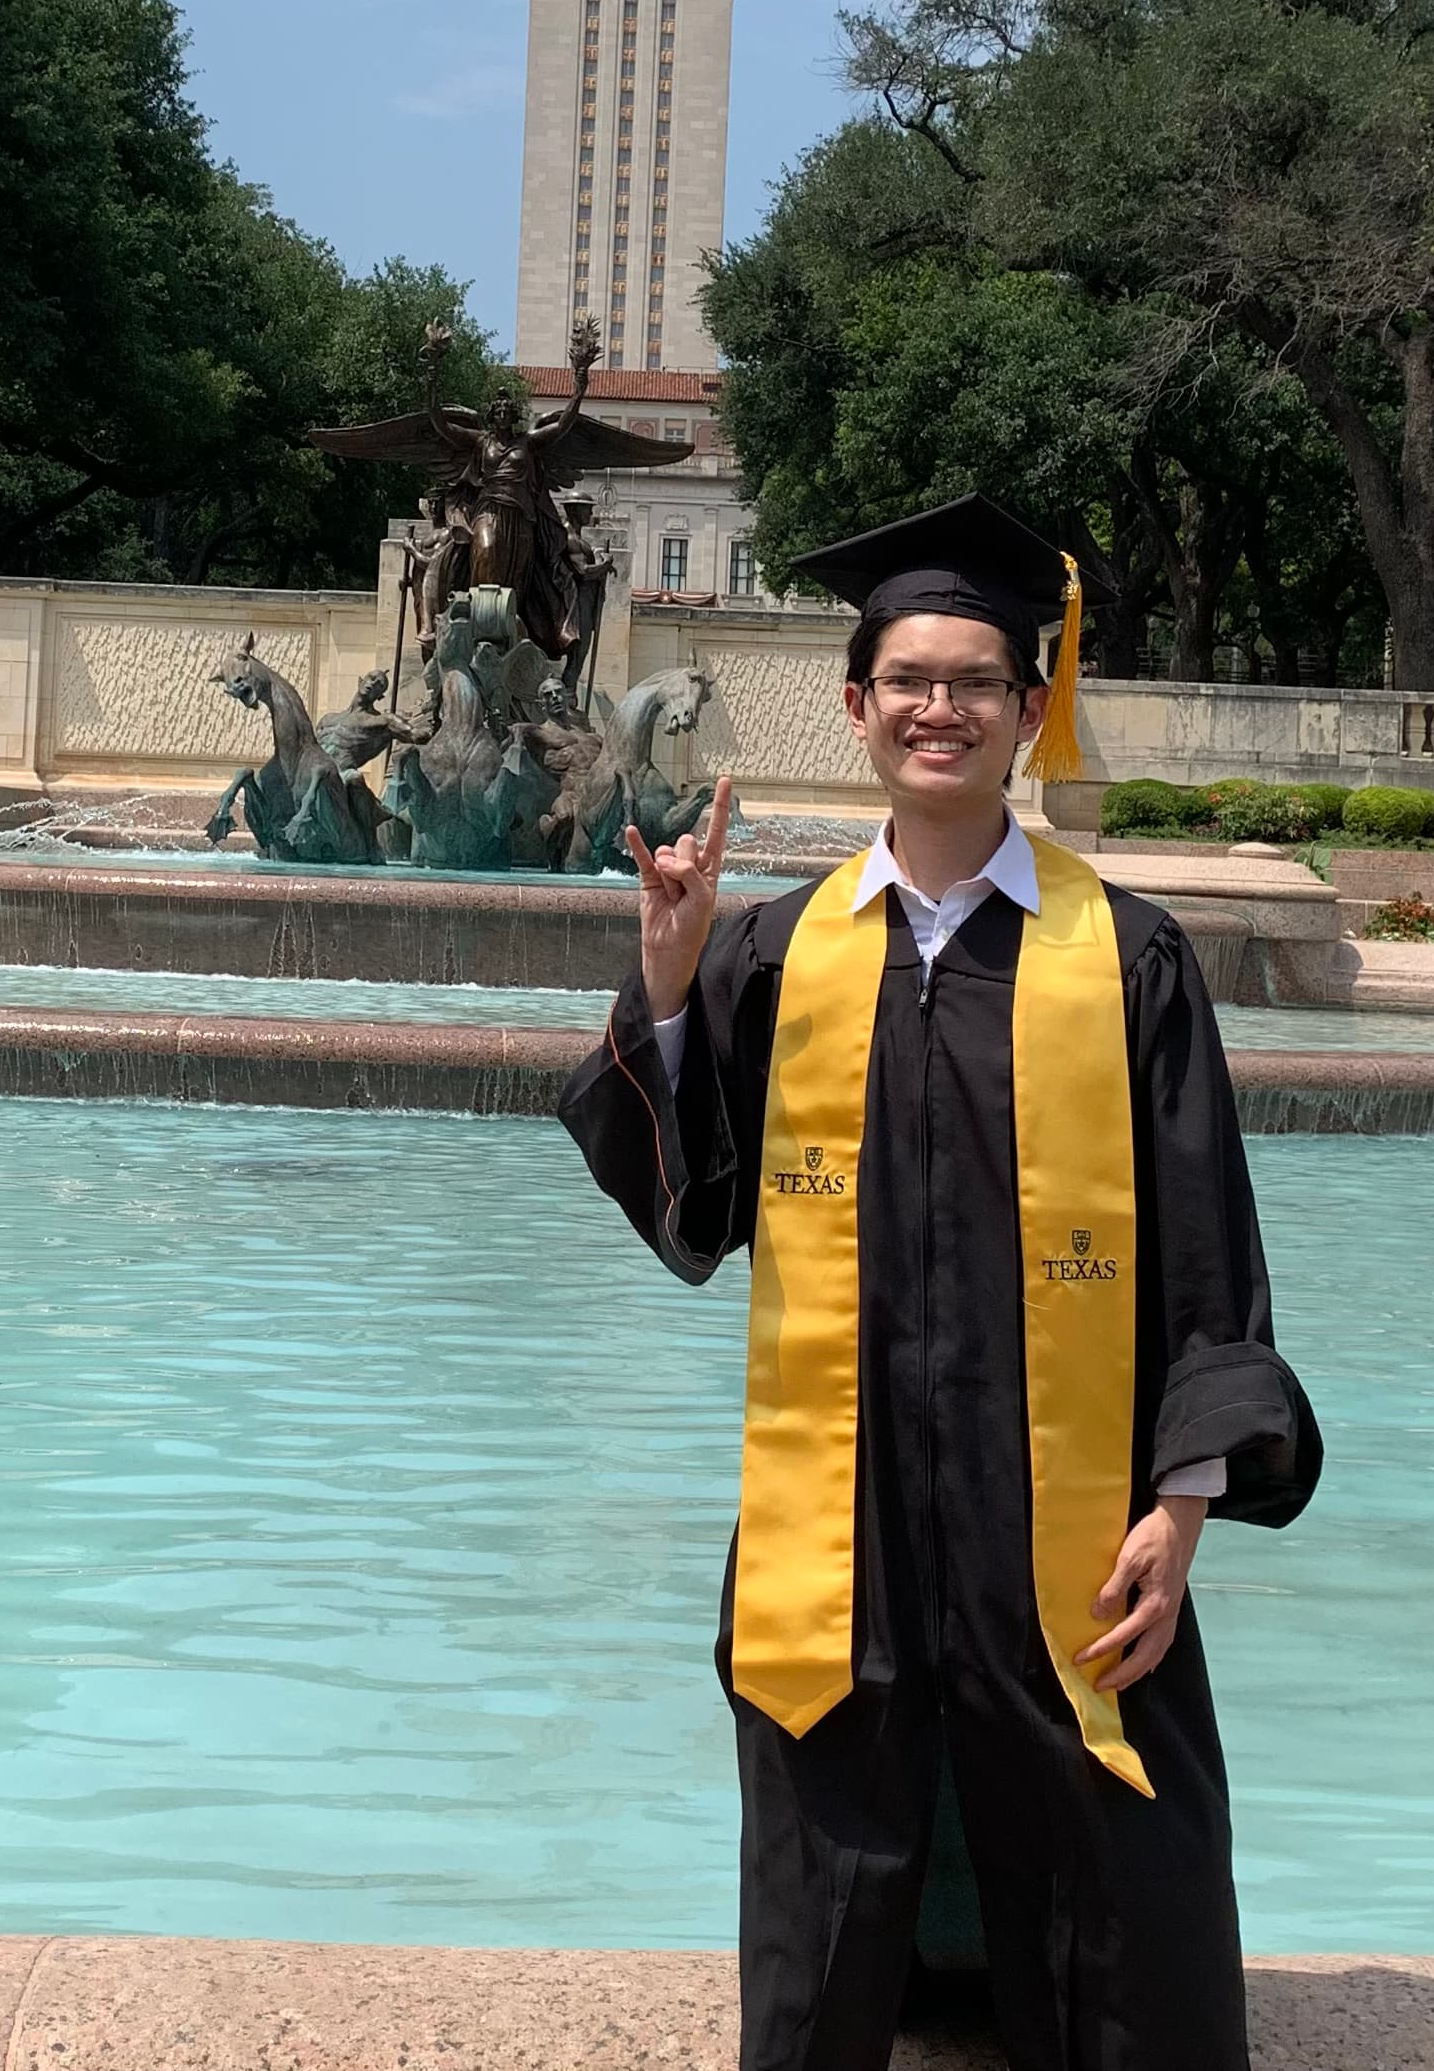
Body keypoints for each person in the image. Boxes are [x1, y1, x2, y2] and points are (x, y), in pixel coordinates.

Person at [557, 494, 1321, 2071]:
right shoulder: (778, 950)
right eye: (910, 677)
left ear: (1029, 708)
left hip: (1065, 1504)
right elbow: (690, 1203)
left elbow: (1204, 1253)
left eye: (978, 679)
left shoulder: (1129, 959)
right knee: (824, 1871)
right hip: (841, 1512)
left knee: (1133, 1888)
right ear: (857, 704)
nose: (941, 707)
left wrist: (1177, 1515)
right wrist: (670, 977)